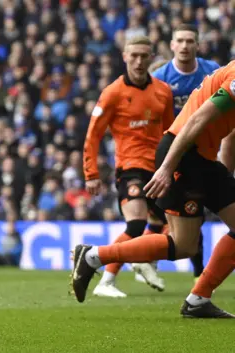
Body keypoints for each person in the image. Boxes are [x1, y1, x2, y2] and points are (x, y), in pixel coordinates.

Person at [71, 58, 235, 317]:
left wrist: (225, 178)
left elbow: (231, 133)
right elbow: (196, 119)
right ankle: (93, 256)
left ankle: (198, 299)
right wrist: (169, 168)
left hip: (202, 159)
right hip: (185, 155)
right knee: (183, 245)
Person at [82, 35, 174, 298]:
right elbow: (93, 135)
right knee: (136, 224)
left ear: (151, 57)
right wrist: (91, 173)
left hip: (158, 168)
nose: (139, 61)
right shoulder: (112, 93)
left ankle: (143, 261)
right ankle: (106, 281)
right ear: (124, 57)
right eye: (133, 55)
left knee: (168, 226)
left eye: (144, 56)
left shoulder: (163, 91)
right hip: (130, 168)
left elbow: (170, 132)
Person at [151, 24, 220, 283]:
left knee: (193, 213)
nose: (185, 46)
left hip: (203, 150)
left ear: (197, 45)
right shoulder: (161, 78)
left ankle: (195, 271)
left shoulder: (212, 71)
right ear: (171, 45)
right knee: (182, 215)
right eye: (180, 40)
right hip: (173, 150)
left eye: (190, 41)